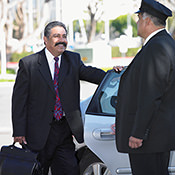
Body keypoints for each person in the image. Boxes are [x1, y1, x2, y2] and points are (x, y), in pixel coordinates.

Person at [11, 21, 106, 175]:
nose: (61, 40)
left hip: (64, 131)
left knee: (69, 170)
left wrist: (115, 74)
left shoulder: (73, 60)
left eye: (64, 36)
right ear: (45, 39)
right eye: (56, 36)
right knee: (36, 171)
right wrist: (19, 131)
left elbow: (92, 74)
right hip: (36, 133)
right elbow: (19, 101)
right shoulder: (29, 64)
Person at [115, 0, 175, 174]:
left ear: (147, 20)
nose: (137, 22)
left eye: (138, 18)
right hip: (156, 137)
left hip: (149, 140)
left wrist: (138, 133)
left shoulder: (156, 47)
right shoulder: (163, 44)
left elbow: (151, 95)